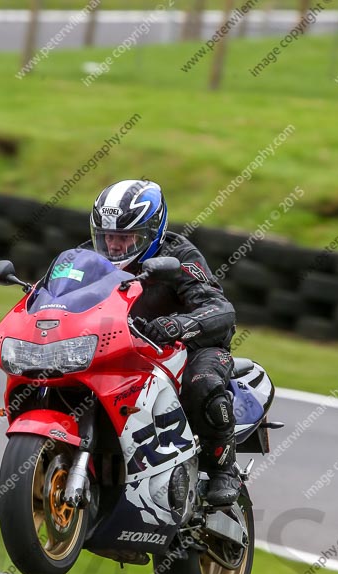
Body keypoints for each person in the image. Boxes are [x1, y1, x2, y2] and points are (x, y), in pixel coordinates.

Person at [87, 179, 241, 508]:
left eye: (125, 237)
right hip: (126, 346)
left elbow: (219, 308)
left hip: (189, 347)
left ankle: (223, 468)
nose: (114, 247)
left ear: (152, 231)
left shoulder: (179, 256)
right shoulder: (90, 257)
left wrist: (180, 324)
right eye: (108, 237)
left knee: (202, 383)